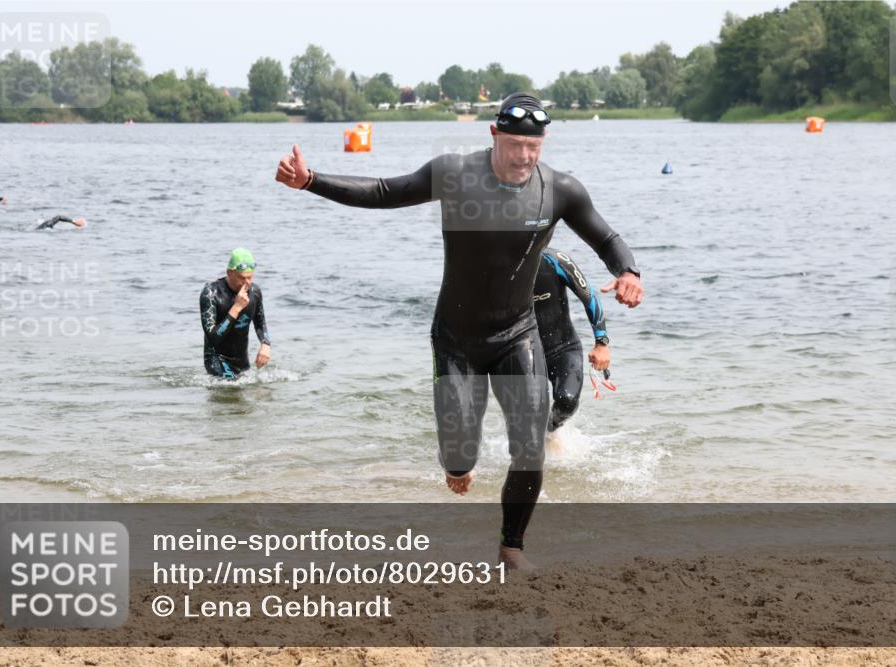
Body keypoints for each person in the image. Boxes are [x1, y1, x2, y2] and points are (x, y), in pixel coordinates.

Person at [275, 92, 643, 569]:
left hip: (518, 334)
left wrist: (629, 271)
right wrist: (311, 181)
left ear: (543, 142)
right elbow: (385, 192)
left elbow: (607, 238)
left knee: (530, 447)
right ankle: (457, 464)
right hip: (457, 340)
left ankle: (512, 547)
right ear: (493, 135)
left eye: (533, 147)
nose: (524, 157)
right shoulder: (456, 174)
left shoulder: (560, 190)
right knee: (458, 456)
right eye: (514, 145)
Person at [534, 248, 611, 454]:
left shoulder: (554, 259)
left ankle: (550, 432)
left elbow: (589, 296)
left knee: (567, 401)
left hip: (563, 347)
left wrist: (601, 342)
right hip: (524, 354)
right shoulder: (498, 267)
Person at [199, 248, 272, 379]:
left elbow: (260, 323)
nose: (247, 283)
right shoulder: (211, 293)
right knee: (230, 388)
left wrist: (265, 344)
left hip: (242, 361)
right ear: (229, 272)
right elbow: (213, 338)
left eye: (250, 277)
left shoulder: (254, 292)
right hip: (217, 360)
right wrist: (237, 307)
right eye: (242, 278)